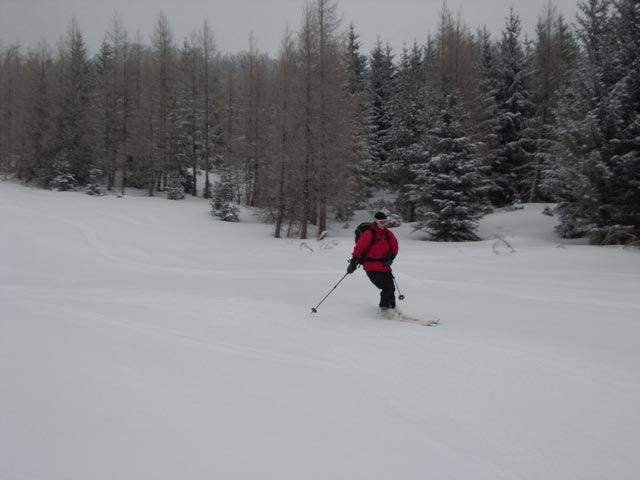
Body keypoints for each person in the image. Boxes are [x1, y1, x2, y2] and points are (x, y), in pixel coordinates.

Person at [347, 212, 399, 310]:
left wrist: (391, 257)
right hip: (371, 267)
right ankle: (385, 309)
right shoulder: (369, 234)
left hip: (384, 266)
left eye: (385, 222)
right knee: (387, 287)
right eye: (381, 222)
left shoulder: (388, 234)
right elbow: (358, 249)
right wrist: (353, 263)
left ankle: (392, 308)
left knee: (391, 288)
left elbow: (395, 247)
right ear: (376, 222)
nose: (384, 224)